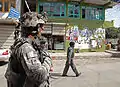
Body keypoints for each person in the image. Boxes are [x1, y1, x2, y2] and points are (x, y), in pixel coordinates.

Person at [5, 12, 52, 87]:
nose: (43, 28)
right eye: (41, 25)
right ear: (34, 28)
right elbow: (39, 75)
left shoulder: (29, 43)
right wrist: (47, 59)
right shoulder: (26, 48)